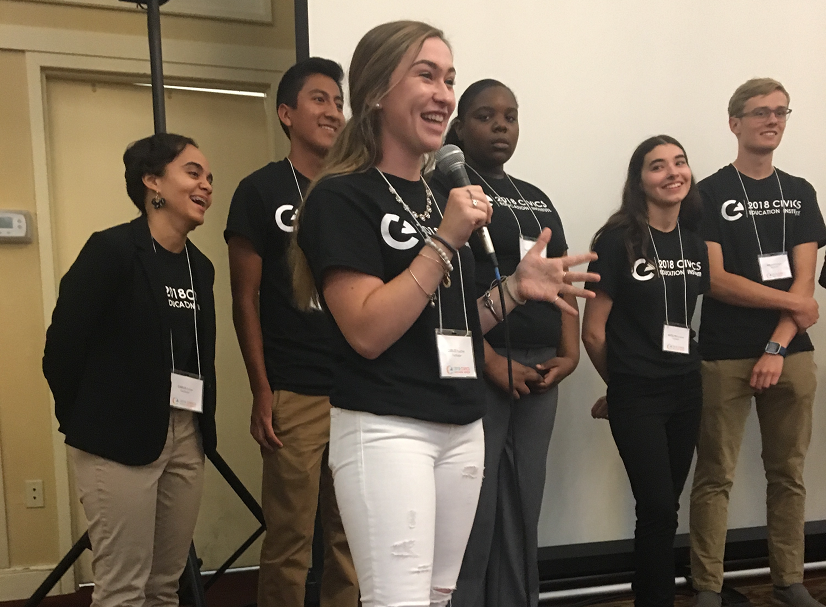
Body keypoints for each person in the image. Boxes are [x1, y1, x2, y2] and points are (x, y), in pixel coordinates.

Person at [291, 20, 599, 607]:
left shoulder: (438, 195)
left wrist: (514, 289)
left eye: (449, 79)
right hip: (388, 427)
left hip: (461, 425)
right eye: (426, 75)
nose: (443, 93)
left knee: (439, 600)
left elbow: (452, 322)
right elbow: (367, 331)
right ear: (378, 90)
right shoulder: (343, 196)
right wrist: (444, 241)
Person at [43, 133, 216, 607]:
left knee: (165, 585)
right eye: (193, 172)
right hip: (116, 437)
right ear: (152, 181)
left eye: (209, 178)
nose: (205, 185)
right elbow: (62, 347)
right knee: (123, 588)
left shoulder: (200, 268)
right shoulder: (111, 251)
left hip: (185, 434)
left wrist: (197, 431)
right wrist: (85, 419)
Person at [429, 79, 578, 607]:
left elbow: (561, 279)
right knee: (475, 507)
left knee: (523, 504)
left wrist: (571, 351)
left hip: (540, 373)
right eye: (486, 116)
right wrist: (488, 358)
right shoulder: (445, 196)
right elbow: (443, 296)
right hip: (479, 367)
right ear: (459, 126)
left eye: (510, 116)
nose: (500, 126)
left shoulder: (536, 198)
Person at [224, 57, 358, 607]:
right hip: (294, 390)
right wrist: (261, 390)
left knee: (350, 543)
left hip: (357, 387)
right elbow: (244, 299)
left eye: (338, 101)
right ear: (286, 113)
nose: (333, 112)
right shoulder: (259, 190)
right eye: (318, 100)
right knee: (289, 544)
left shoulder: (355, 191)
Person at [689, 78, 826, 607]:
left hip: (791, 356)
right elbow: (716, 280)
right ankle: (706, 588)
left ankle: (789, 581)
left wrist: (777, 346)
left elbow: (805, 282)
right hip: (723, 354)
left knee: (788, 473)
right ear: (734, 123)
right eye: (761, 112)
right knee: (714, 476)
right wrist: (792, 308)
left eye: (781, 112)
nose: (773, 120)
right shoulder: (710, 192)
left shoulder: (801, 191)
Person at [582, 135, 708, 607]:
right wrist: (624, 387)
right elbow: (593, 332)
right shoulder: (616, 241)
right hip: (638, 394)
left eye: (680, 162)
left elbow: (686, 317)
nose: (673, 172)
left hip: (686, 389)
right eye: (658, 166)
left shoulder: (693, 241)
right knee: (655, 508)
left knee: (665, 509)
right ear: (640, 181)